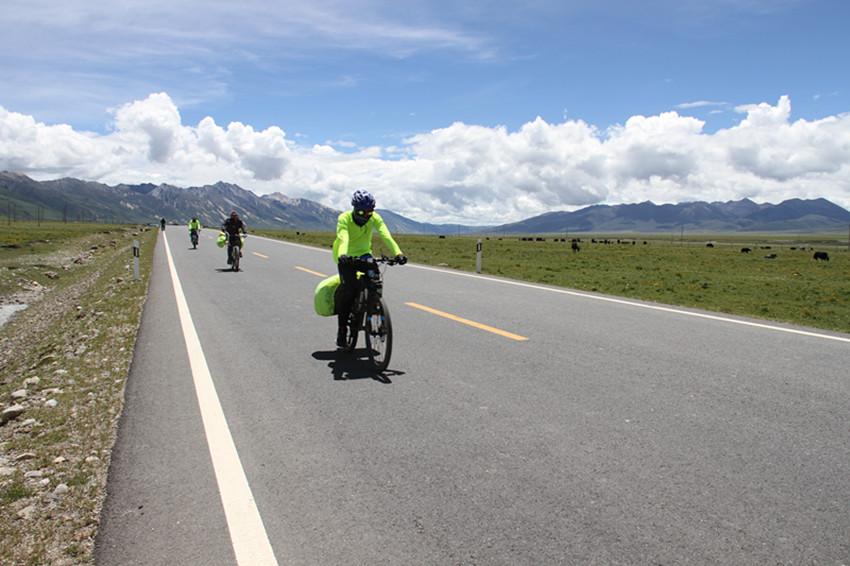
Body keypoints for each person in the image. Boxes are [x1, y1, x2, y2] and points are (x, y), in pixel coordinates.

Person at [333, 190, 407, 347]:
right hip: (346, 256)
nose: (366, 215)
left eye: (369, 211)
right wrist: (343, 255)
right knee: (349, 291)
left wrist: (398, 253)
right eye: (362, 212)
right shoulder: (344, 218)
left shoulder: (374, 218)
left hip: (365, 255)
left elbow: (386, 235)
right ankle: (342, 330)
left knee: (375, 282)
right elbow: (343, 238)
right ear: (354, 209)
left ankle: (374, 305)